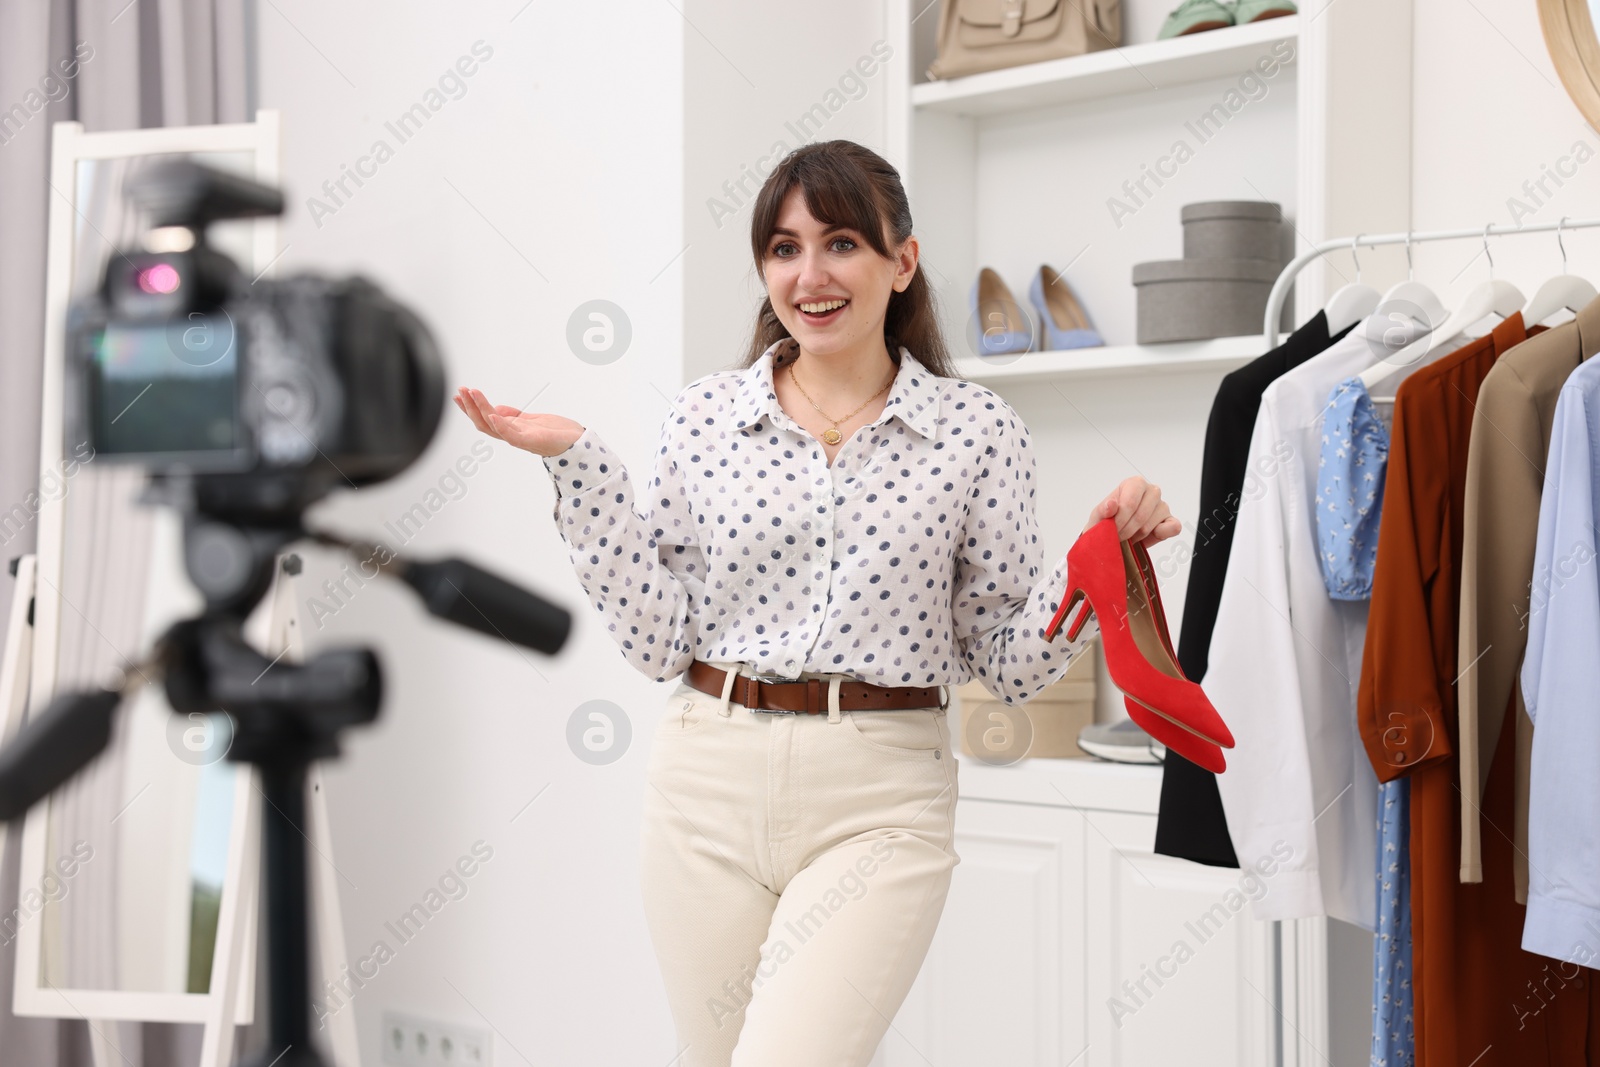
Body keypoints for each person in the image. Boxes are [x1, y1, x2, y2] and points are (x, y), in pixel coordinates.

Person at [454, 139, 1178, 1067]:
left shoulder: (977, 431)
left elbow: (1000, 659)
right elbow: (656, 640)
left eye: (841, 242)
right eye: (785, 248)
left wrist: (1094, 565)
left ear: (901, 261)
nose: (812, 274)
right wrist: (579, 466)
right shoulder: (705, 417)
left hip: (881, 794)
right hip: (703, 784)